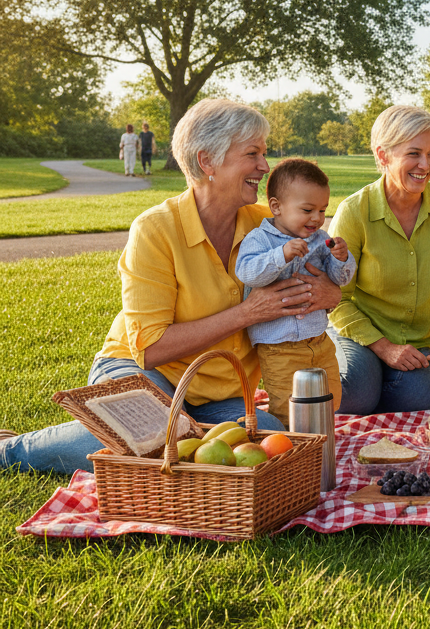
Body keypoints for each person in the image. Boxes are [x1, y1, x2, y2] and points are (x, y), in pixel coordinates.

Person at [0, 99, 342, 475]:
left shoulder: (271, 223)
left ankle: (185, 428)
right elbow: (151, 349)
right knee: (148, 439)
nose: (265, 166)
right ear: (207, 161)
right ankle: (10, 451)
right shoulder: (155, 229)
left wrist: (331, 294)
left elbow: (325, 274)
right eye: (253, 154)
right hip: (144, 374)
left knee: (277, 446)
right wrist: (248, 313)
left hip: (222, 394)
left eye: (264, 153)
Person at [327, 105, 430, 414]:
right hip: (363, 335)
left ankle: (380, 385)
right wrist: (384, 349)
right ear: (383, 156)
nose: (425, 165)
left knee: (424, 395)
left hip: (419, 343)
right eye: (414, 154)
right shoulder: (354, 211)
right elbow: (335, 297)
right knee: (355, 392)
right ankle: (369, 381)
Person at [236, 158, 356, 426]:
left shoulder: (320, 239)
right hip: (279, 348)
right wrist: (281, 255)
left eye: (323, 210)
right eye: (307, 209)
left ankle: (322, 442)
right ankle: (295, 454)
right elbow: (247, 273)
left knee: (330, 397)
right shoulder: (260, 239)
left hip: (319, 341)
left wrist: (341, 258)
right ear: (277, 207)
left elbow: (340, 280)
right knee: (286, 406)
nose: (317, 218)